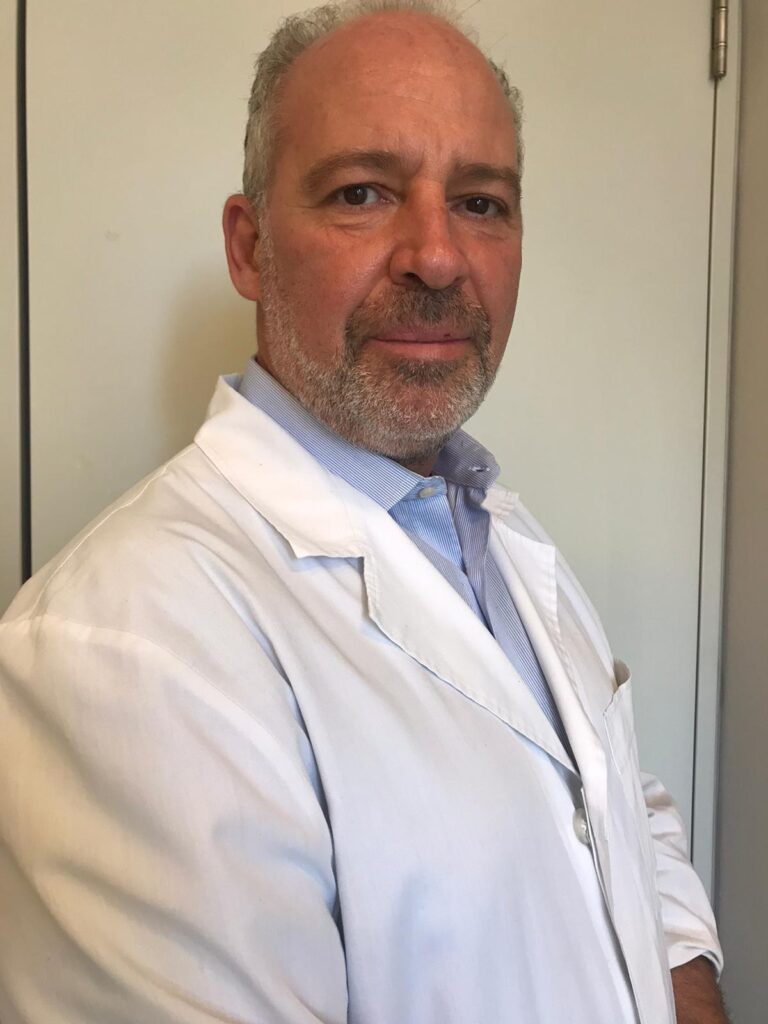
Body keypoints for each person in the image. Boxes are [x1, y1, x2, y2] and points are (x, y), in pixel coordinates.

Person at [0, 1, 728, 1022]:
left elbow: (622, 818)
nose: (437, 255)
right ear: (249, 246)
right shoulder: (123, 646)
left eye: (480, 202)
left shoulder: (492, 532)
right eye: (362, 193)